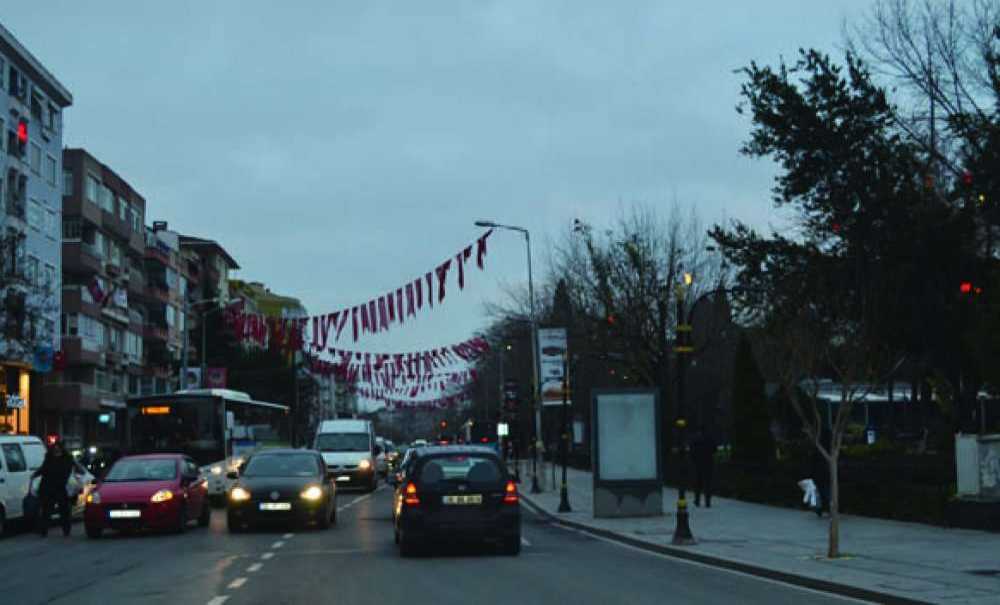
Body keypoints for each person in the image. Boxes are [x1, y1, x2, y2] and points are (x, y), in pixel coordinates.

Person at [33, 440, 74, 537]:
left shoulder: (67, 458)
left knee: (63, 510)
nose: (56, 449)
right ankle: (43, 530)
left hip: (59, 487)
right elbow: (44, 468)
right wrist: (35, 474)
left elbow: (67, 472)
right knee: (46, 509)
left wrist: (62, 481)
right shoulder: (49, 457)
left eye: (58, 448)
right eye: (54, 448)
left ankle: (66, 529)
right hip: (47, 486)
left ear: (61, 449)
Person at [691, 424, 717, 508]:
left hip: (698, 463)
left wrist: (694, 459)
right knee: (708, 483)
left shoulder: (696, 439)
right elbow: (714, 449)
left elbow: (692, 451)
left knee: (698, 482)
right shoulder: (710, 438)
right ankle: (707, 501)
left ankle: (697, 500)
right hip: (708, 462)